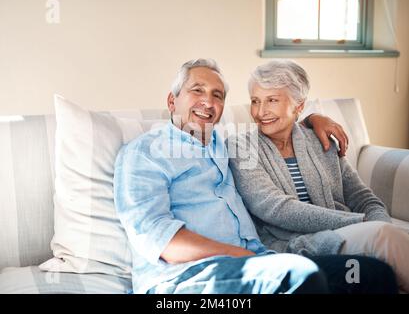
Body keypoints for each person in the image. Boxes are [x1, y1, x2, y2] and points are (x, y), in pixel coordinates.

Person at [114, 58, 397, 294]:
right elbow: (161, 240)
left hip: (258, 265)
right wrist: (246, 257)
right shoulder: (145, 152)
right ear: (172, 101)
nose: (207, 102)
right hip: (186, 279)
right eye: (197, 90)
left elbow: (284, 122)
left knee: (372, 274)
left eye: (217, 95)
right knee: (300, 277)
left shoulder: (220, 146)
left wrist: (312, 119)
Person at [228, 59, 409, 292]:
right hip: (293, 244)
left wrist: (378, 223)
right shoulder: (241, 147)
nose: (260, 112)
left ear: (299, 106)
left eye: (272, 100)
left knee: (387, 235)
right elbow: (275, 208)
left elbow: (363, 197)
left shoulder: (320, 140)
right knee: (384, 236)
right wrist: (361, 224)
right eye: (255, 101)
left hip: (345, 234)